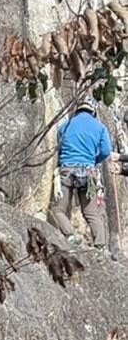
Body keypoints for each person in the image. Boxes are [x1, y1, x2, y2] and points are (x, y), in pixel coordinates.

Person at [48, 92, 113, 249]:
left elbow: (60, 143)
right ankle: (100, 246)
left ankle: (70, 235)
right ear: (93, 111)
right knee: (92, 213)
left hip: (67, 170)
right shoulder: (100, 127)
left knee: (57, 210)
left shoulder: (67, 125)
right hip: (88, 172)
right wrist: (93, 160)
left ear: (77, 110)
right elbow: (106, 151)